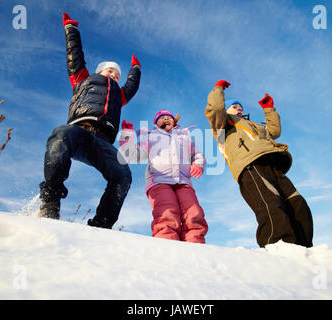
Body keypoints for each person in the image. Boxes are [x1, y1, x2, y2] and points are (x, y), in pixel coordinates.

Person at [38, 12, 141, 230]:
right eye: (110, 71)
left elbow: (131, 88)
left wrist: (135, 71)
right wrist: (71, 29)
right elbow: (74, 55)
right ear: (100, 71)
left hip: (103, 142)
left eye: (117, 74)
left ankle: (102, 224)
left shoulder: (119, 95)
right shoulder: (82, 79)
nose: (114, 75)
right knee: (60, 136)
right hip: (80, 132)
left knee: (123, 175)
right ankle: (50, 201)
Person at [205, 80, 313, 247]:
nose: (239, 108)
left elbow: (274, 132)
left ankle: (303, 247)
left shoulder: (254, 126)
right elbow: (215, 110)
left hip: (271, 163)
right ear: (226, 110)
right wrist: (218, 90)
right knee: (270, 204)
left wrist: (268, 109)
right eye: (234, 106)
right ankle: (275, 246)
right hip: (250, 166)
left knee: (296, 202)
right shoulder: (222, 126)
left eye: (240, 107)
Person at [118, 110, 208, 243]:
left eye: (169, 117)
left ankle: (195, 244)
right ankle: (167, 244)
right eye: (162, 118)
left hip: (184, 182)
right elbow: (131, 155)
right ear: (156, 123)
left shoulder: (185, 138)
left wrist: (198, 165)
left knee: (194, 213)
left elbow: (197, 155)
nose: (166, 119)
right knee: (166, 213)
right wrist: (126, 135)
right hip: (159, 181)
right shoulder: (150, 137)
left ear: (174, 122)